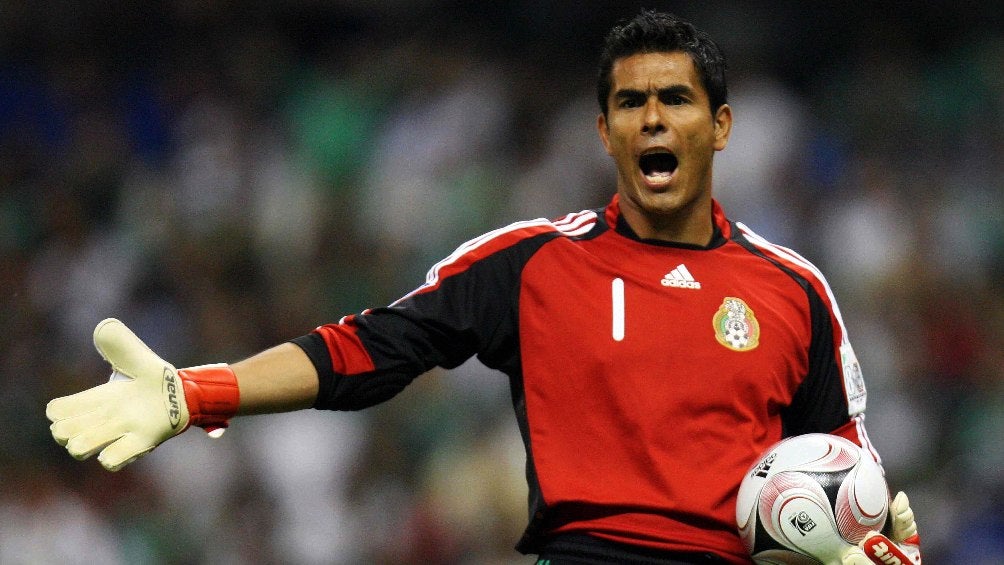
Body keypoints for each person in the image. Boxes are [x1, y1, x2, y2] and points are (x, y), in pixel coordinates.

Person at [46, 10, 922, 565]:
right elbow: (371, 349)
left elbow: (842, 456)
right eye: (630, 103)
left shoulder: (791, 289)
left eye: (677, 99)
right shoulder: (533, 263)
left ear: (721, 125)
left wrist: (875, 531)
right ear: (605, 132)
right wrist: (198, 390)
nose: (653, 117)